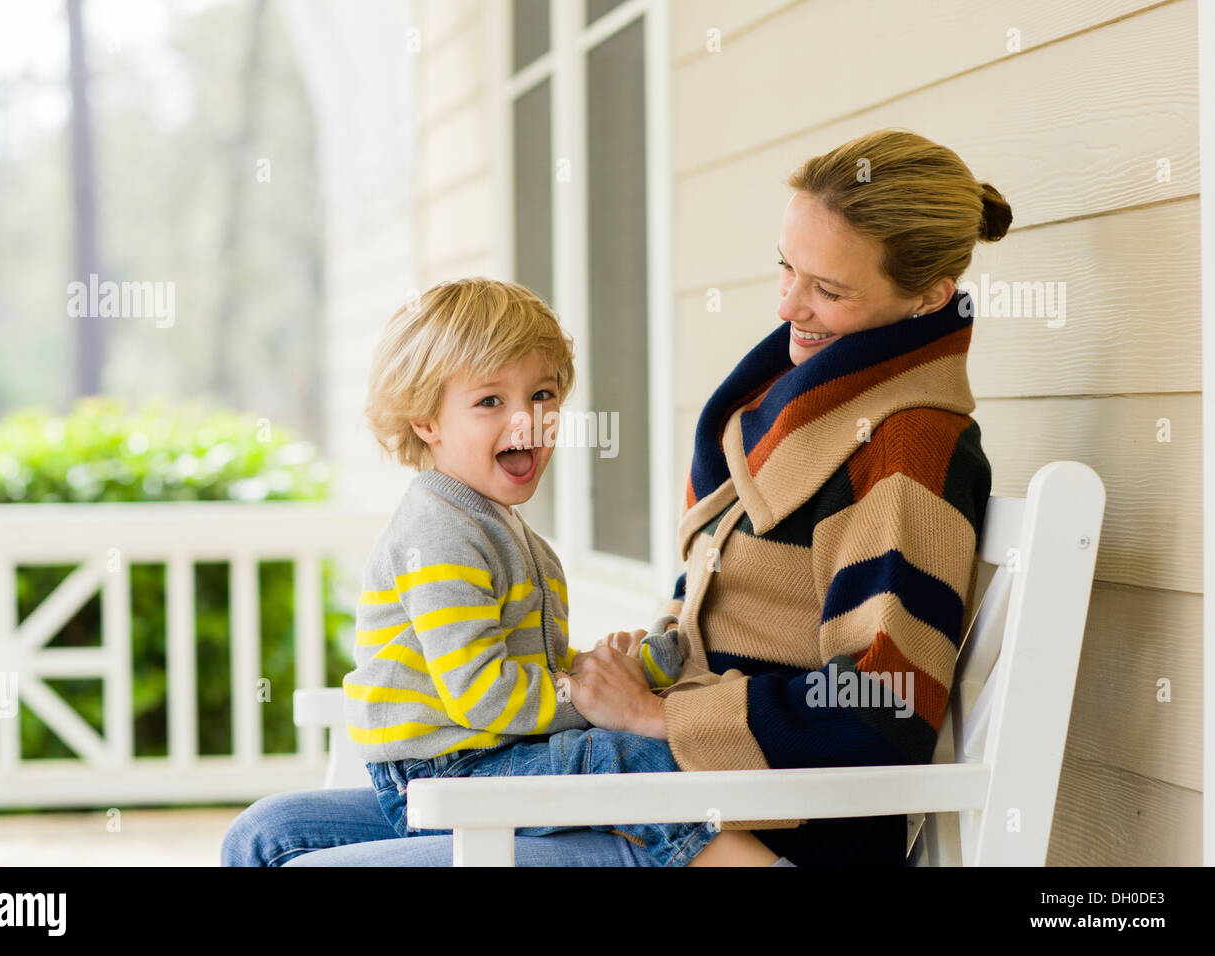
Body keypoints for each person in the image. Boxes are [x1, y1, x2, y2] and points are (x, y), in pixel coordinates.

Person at [221, 126, 1006, 867]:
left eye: (827, 289)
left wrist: (650, 715)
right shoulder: (799, 413)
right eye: (785, 268)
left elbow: (884, 703)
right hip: (669, 778)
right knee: (267, 838)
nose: (786, 306)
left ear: (929, 300)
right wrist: (642, 673)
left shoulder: (905, 447)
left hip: (756, 818)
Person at [337, 276, 780, 866]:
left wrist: (627, 669)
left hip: (484, 753)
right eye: (490, 401)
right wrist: (591, 698)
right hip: (446, 772)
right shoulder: (441, 534)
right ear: (426, 421)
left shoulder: (515, 537)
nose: (527, 420)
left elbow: (534, 671)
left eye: (543, 395)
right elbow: (484, 694)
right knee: (623, 757)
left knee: (613, 750)